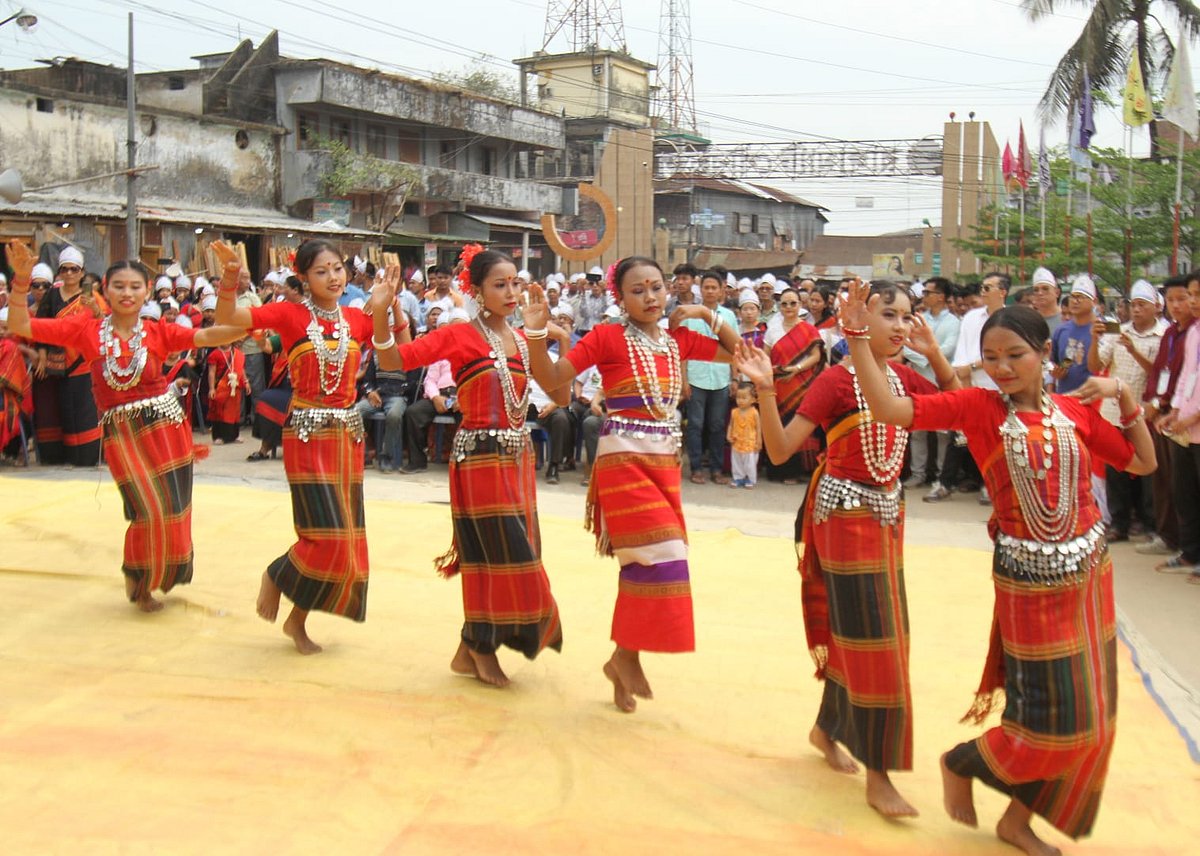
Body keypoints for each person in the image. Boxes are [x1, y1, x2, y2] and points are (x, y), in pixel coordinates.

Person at [847, 294, 1155, 856]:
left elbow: (1142, 463)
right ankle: (963, 762)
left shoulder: (1077, 413)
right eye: (991, 357)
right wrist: (857, 340)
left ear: (1046, 354)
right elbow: (893, 412)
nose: (1003, 367)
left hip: (1090, 576)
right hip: (1028, 584)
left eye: (1015, 354)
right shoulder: (981, 408)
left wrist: (1126, 396)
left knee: (1096, 720)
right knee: (1049, 717)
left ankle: (1017, 821)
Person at [735, 279, 955, 819]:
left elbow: (956, 412)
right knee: (878, 640)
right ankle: (879, 774)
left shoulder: (904, 379)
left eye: (908, 316)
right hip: (841, 517)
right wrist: (766, 388)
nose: (902, 326)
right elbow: (783, 450)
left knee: (866, 634)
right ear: (858, 320)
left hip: (886, 519)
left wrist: (937, 359)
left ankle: (826, 727)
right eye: (890, 316)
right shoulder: (835, 380)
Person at [525, 255, 740, 713]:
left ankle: (623, 658)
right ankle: (626, 656)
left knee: (647, 561)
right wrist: (538, 333)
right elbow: (554, 379)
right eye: (638, 290)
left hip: (665, 460)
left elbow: (736, 350)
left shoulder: (677, 340)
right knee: (664, 554)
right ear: (620, 298)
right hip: (623, 455)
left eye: (657, 287)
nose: (651, 297)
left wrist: (705, 312)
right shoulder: (606, 336)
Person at [5, 243, 247, 610]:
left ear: (147, 291)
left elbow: (222, 334)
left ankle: (156, 576)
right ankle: (138, 578)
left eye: (135, 286)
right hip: (122, 433)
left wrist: (228, 281)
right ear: (105, 288)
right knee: (146, 508)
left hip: (167, 428)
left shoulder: (160, 332)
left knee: (173, 508)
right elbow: (21, 324)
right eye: (119, 286)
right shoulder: (84, 331)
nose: (127, 293)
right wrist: (21, 281)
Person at [215, 239, 403, 654]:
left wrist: (388, 303)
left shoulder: (357, 318)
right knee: (323, 533)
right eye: (321, 271)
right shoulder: (289, 314)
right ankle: (278, 574)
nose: (333, 277)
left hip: (346, 437)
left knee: (346, 539)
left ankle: (297, 619)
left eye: (337, 268)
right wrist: (230, 278)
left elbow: (396, 352)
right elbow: (227, 316)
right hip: (305, 433)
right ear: (302, 277)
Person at [389, 246, 563, 688]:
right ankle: (481, 647)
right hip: (479, 457)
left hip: (518, 459)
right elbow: (395, 361)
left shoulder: (524, 340)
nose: (511, 292)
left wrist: (543, 337)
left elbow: (560, 397)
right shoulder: (459, 334)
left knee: (517, 552)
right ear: (478, 291)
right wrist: (382, 313)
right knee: (498, 557)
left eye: (516, 283)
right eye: (500, 284)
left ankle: (470, 650)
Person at [1088, 279, 1165, 542]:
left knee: (1147, 470)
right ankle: (1118, 523)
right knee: (1115, 468)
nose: (1136, 310)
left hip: (1144, 411)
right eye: (1134, 305)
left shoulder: (1163, 335)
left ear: (1156, 307)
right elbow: (1096, 364)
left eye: (1143, 305)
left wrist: (1133, 351)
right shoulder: (1117, 332)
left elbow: (1160, 375)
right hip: (1112, 411)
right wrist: (1094, 339)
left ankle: (1148, 522)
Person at [1139, 274, 1194, 561]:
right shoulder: (1171, 333)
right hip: (1163, 414)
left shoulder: (1193, 333)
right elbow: (1161, 370)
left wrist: (1166, 404)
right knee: (1165, 479)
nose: (1177, 305)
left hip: (1183, 417)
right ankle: (1169, 536)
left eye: (1182, 298)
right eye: (1171, 300)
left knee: (1183, 484)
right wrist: (1152, 401)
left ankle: (1184, 542)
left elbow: (1188, 379)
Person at [32, 246, 102, 467]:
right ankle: (69, 456)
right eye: (65, 269)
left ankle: (89, 456)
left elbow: (102, 322)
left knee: (85, 409)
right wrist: (42, 356)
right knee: (65, 408)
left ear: (81, 272)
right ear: (59, 272)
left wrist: (97, 311)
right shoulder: (52, 295)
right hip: (59, 362)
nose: (70, 273)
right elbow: (41, 326)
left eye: (74, 269)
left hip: (84, 360)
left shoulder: (90, 296)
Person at [1157, 273, 1200, 580]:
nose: (1193, 301)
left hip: (1195, 424)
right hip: (1185, 428)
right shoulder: (1194, 331)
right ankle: (1190, 552)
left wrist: (1193, 416)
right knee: (1184, 491)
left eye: (1197, 295)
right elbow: (1186, 376)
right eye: (1192, 294)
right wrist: (1175, 411)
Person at [762, 287, 824, 483]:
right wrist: (774, 372)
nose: (789, 307)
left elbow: (817, 356)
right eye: (785, 304)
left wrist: (796, 369)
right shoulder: (773, 330)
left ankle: (800, 471)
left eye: (793, 303)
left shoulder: (809, 329)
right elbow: (765, 357)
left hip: (803, 385)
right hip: (779, 386)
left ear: (800, 305)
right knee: (780, 426)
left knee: (800, 427)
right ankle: (780, 471)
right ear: (780, 307)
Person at [685, 271, 739, 485]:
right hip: (695, 377)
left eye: (713, 287)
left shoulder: (729, 316)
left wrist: (735, 378)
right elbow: (683, 350)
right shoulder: (691, 315)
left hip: (720, 378)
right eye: (705, 287)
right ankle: (696, 468)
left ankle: (717, 469)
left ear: (721, 290)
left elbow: (735, 349)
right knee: (695, 425)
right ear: (701, 290)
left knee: (717, 425)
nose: (709, 291)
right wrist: (683, 380)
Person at [1049, 275, 1098, 394]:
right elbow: (1058, 361)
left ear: (1094, 302)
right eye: (1073, 297)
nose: (1075, 301)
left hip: (1095, 398)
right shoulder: (1061, 330)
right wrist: (1056, 372)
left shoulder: (1102, 329)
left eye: (1081, 297)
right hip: (1066, 398)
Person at [206, 340, 250, 444]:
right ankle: (219, 436)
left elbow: (242, 369)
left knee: (235, 412)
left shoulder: (238, 353)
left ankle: (235, 435)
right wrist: (212, 388)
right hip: (221, 387)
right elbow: (211, 372)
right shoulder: (214, 354)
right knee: (220, 412)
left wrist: (246, 381)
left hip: (235, 387)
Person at [727, 382, 761, 488]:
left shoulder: (754, 413)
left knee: (749, 462)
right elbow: (730, 425)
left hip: (749, 442)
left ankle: (750, 478)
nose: (740, 400)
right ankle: (738, 478)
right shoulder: (734, 412)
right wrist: (729, 435)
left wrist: (759, 441)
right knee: (736, 461)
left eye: (744, 398)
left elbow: (758, 428)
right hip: (737, 441)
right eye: (738, 397)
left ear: (753, 399)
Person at [1030, 267, 1063, 335]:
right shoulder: (1029, 320)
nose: (1040, 293)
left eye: (1045, 289)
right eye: (1036, 290)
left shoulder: (1067, 318)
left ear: (1057, 292)